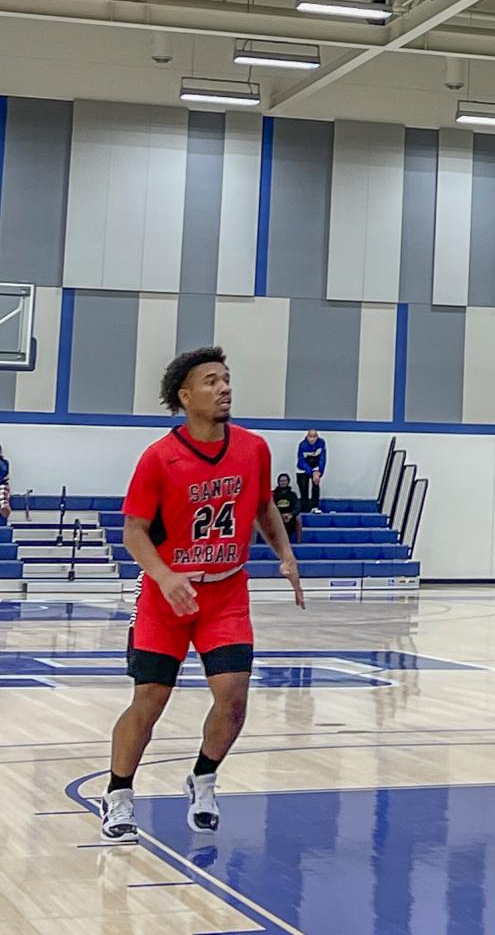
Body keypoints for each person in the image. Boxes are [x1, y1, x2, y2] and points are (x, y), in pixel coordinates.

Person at [99, 347, 304, 844]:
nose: (224, 387)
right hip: (166, 596)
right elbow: (133, 533)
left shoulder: (253, 448)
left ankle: (204, 777)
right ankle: (119, 792)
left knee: (233, 698)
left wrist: (286, 555)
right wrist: (166, 576)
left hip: (226, 591)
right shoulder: (158, 457)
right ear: (185, 397)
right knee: (150, 698)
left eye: (227, 379)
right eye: (211, 381)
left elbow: (262, 509)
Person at [296, 428, 326, 513]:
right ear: (307, 436)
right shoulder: (302, 445)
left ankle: (315, 506)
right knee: (304, 488)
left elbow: (322, 459)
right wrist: (311, 471)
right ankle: (304, 508)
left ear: (317, 437)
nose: (312, 439)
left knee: (316, 484)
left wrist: (319, 472)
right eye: (310, 436)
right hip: (302, 468)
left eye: (314, 436)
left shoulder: (321, 443)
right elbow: (301, 461)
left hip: (315, 468)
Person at [273, 473, 302, 544]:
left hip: (290, 516)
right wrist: (279, 515)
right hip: (276, 516)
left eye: (285, 481)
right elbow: (271, 507)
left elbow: (297, 506)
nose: (283, 482)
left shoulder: (293, 495)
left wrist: (291, 515)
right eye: (281, 481)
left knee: (298, 518)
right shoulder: (273, 494)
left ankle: (298, 541)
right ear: (278, 482)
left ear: (288, 482)